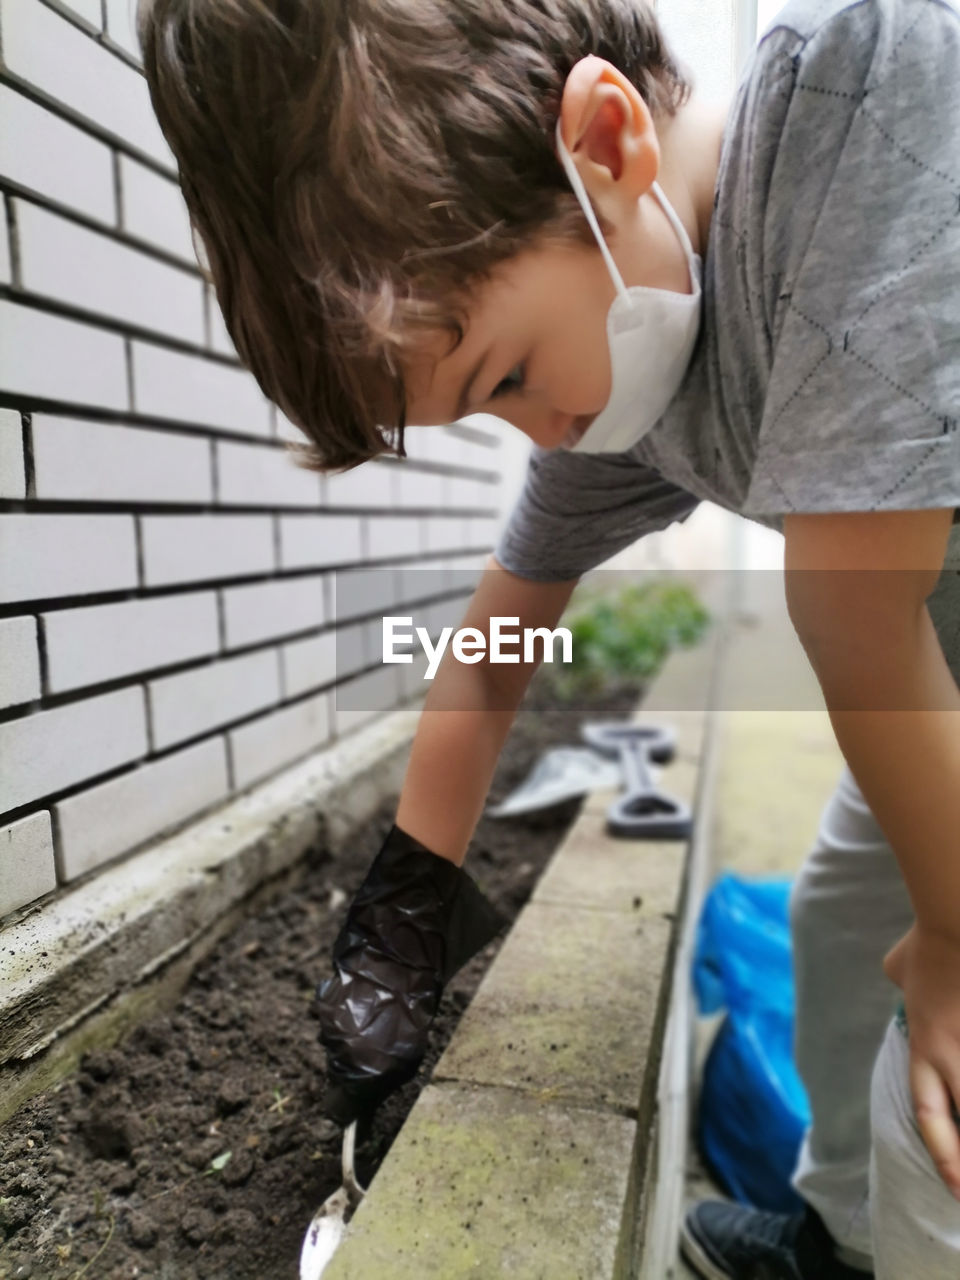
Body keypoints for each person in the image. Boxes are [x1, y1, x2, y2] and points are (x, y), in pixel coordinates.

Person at [135, 0, 960, 1275]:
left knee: (940, 1098)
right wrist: (404, 915)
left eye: (506, 377)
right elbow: (492, 646)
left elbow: (855, 609)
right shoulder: (633, 383)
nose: (542, 433)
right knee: (835, 932)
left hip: (917, 664)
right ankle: (837, 1234)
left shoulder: (862, 85)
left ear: (608, 144)